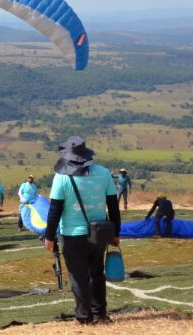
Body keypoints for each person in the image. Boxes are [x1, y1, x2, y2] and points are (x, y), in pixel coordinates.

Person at [44, 136, 121, 326]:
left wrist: (49, 236)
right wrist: (116, 233)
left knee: (78, 276)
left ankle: (84, 317)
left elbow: (55, 210)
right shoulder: (103, 173)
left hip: (72, 234)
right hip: (100, 233)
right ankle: (100, 313)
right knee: (97, 272)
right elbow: (113, 206)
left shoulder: (61, 178)